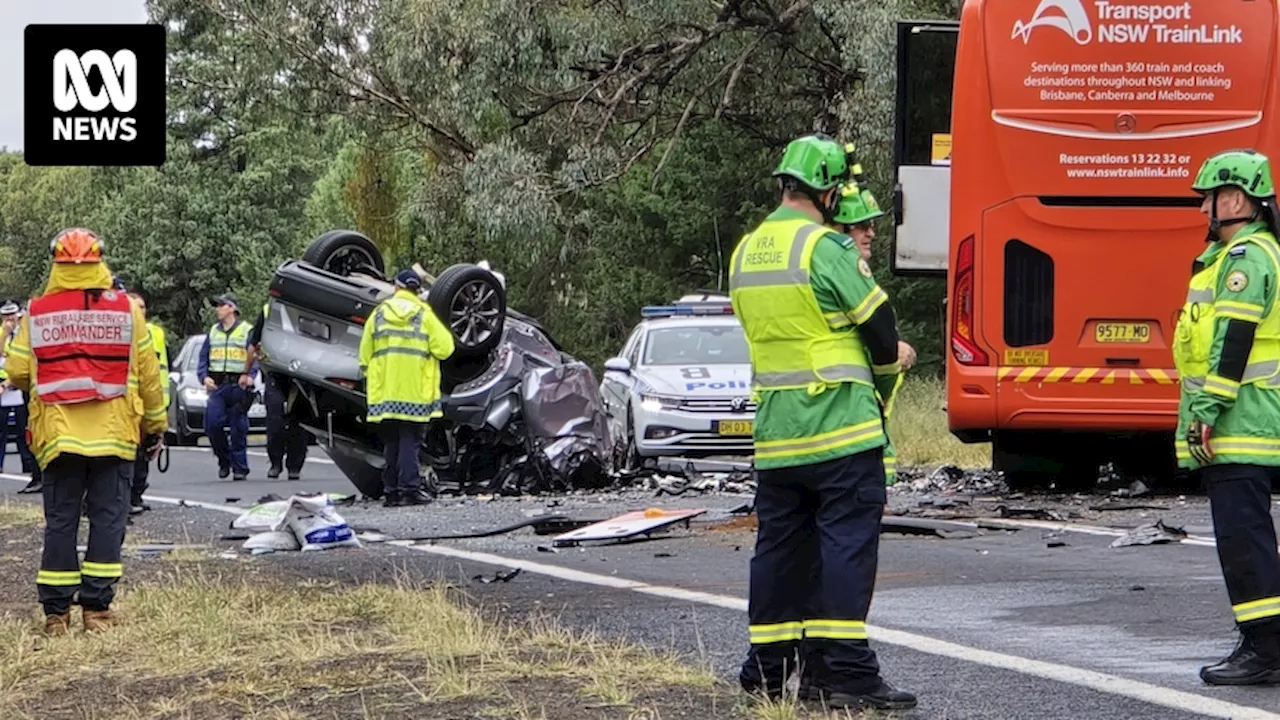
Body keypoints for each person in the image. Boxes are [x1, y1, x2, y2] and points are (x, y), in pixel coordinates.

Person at [728, 134, 915, 711]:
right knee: (845, 549)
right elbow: (881, 329)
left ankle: (772, 668)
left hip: (779, 438)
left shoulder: (745, 253)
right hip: (842, 431)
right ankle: (849, 674)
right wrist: (884, 383)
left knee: (780, 551)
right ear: (828, 189)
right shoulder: (824, 248)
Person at [6, 228, 166, 635]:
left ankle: (56, 614)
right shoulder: (127, 310)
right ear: (99, 262)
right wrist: (155, 425)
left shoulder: (38, 311)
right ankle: (97, 610)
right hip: (115, 433)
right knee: (108, 519)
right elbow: (149, 376)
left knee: (60, 520)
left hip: (58, 435)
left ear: (56, 264)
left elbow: (19, 371)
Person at [1174, 148, 1280, 686]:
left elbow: (1233, 342)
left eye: (1209, 199)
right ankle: (1264, 641)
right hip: (1251, 421)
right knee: (1247, 536)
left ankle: (1266, 647)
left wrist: (1208, 411)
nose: (1203, 212)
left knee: (1243, 539)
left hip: (1244, 424)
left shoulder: (1245, 261)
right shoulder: (1249, 255)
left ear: (1235, 199)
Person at [359, 269, 455, 507]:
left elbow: (364, 355)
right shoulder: (424, 315)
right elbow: (446, 348)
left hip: (386, 393)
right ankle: (409, 490)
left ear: (396, 288)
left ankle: (391, 492)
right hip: (415, 392)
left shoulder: (379, 314)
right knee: (410, 442)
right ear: (416, 290)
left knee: (391, 442)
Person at [246, 301, 307, 480]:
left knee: (298, 422)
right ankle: (275, 463)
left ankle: (295, 466)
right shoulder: (267, 311)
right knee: (275, 421)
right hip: (275, 372)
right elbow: (254, 342)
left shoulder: (304, 309)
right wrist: (246, 370)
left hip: (301, 373)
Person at [198, 294, 254, 481]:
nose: (217, 309)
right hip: (218, 386)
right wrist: (204, 376)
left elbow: (254, 355)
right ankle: (224, 460)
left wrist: (250, 376)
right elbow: (203, 358)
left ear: (232, 308)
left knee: (238, 427)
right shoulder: (213, 331)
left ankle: (240, 468)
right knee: (212, 424)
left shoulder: (246, 330)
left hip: (238, 384)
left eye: (221, 305)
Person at [125, 288, 169, 514]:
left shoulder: (155, 333)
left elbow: (161, 369)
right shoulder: (123, 331)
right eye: (135, 306)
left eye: (142, 307)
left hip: (153, 400)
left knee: (145, 452)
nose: (139, 311)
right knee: (130, 453)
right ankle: (129, 497)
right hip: (130, 403)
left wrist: (163, 405)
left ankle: (137, 495)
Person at [0, 299, 37, 489]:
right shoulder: (3, 334)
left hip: (21, 387)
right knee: (3, 431)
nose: (10, 319)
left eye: (12, 315)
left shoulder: (25, 332)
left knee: (25, 430)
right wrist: (4, 335)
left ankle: (29, 467)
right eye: (6, 315)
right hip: (5, 387)